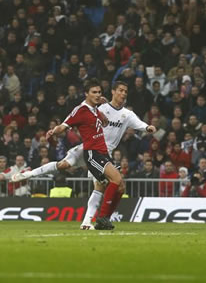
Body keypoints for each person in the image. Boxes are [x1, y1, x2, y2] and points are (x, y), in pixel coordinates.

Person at [12, 81, 156, 230]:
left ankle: (87, 221)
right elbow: (72, 119)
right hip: (90, 149)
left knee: (103, 185)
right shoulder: (95, 107)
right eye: (120, 90)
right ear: (113, 92)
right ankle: (29, 173)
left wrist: (147, 127)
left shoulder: (121, 113)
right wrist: (54, 130)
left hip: (105, 152)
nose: (123, 94)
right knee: (64, 165)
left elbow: (136, 123)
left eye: (126, 91)